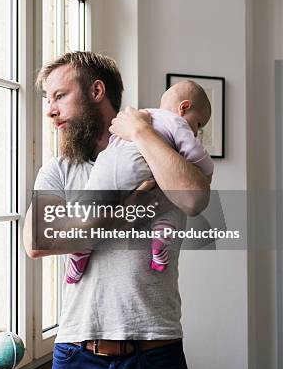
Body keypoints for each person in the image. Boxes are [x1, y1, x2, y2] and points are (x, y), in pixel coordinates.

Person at [23, 51, 211, 369]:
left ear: (96, 90)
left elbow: (193, 198)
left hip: (154, 357)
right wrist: (132, 204)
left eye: (60, 96)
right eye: (48, 100)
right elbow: (38, 241)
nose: (50, 111)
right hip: (76, 358)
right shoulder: (59, 170)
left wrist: (141, 131)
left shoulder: (163, 153)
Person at [66, 80, 213, 283]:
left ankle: (81, 250)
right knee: (162, 198)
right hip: (136, 166)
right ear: (184, 107)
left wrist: (139, 131)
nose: (196, 132)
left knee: (89, 203)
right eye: (198, 124)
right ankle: (161, 234)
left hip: (107, 166)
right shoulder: (176, 123)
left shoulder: (142, 116)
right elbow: (195, 153)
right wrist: (207, 170)